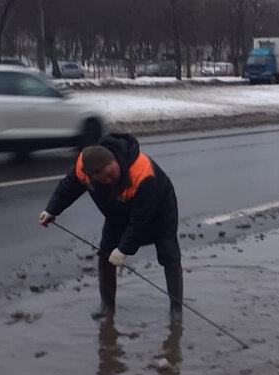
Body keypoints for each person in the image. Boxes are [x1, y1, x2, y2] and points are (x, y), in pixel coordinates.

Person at [39, 132, 182, 322]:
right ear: (93, 176)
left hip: (159, 211)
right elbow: (69, 187)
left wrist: (124, 249)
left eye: (112, 173)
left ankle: (176, 311)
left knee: (168, 254)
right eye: (105, 177)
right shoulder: (85, 166)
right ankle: (107, 306)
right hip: (118, 212)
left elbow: (141, 219)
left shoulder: (142, 173)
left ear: (114, 159)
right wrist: (52, 210)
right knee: (105, 254)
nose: (110, 179)